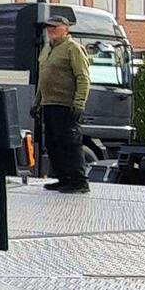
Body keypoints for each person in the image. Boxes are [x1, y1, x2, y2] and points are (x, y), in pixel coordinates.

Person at [35, 13, 91, 192]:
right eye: (48, 27)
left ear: (65, 29)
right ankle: (63, 178)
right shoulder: (47, 48)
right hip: (49, 104)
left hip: (66, 104)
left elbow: (83, 77)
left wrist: (79, 103)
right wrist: (37, 103)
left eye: (54, 27)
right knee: (53, 143)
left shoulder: (72, 48)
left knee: (70, 143)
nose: (50, 30)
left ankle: (79, 181)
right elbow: (42, 78)